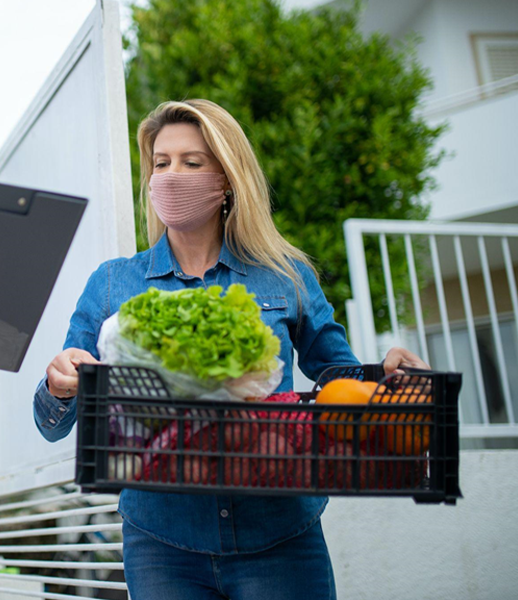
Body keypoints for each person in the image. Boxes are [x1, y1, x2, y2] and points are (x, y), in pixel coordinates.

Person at [33, 99, 430, 599]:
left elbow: (338, 379)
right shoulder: (114, 284)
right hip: (161, 542)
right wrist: (61, 384)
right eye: (161, 163)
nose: (172, 175)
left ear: (226, 180)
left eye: (192, 162)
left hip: (281, 533)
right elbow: (54, 420)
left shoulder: (284, 276)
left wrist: (383, 380)